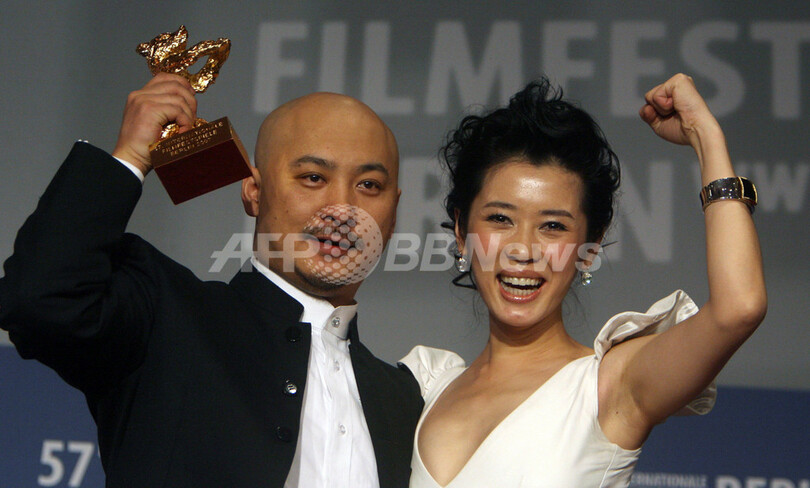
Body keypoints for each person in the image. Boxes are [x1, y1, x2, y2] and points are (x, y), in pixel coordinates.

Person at [0, 72, 423, 487]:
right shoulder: (166, 317)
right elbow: (39, 301)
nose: (342, 209)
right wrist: (129, 157)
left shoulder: (406, 401)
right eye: (313, 177)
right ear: (254, 191)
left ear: (394, 213)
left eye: (369, 185)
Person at [399, 74, 766, 487]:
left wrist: (705, 135)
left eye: (553, 226)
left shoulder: (609, 386)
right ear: (461, 231)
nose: (523, 249)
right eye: (500, 219)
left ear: (589, 247)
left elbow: (739, 308)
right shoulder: (426, 389)